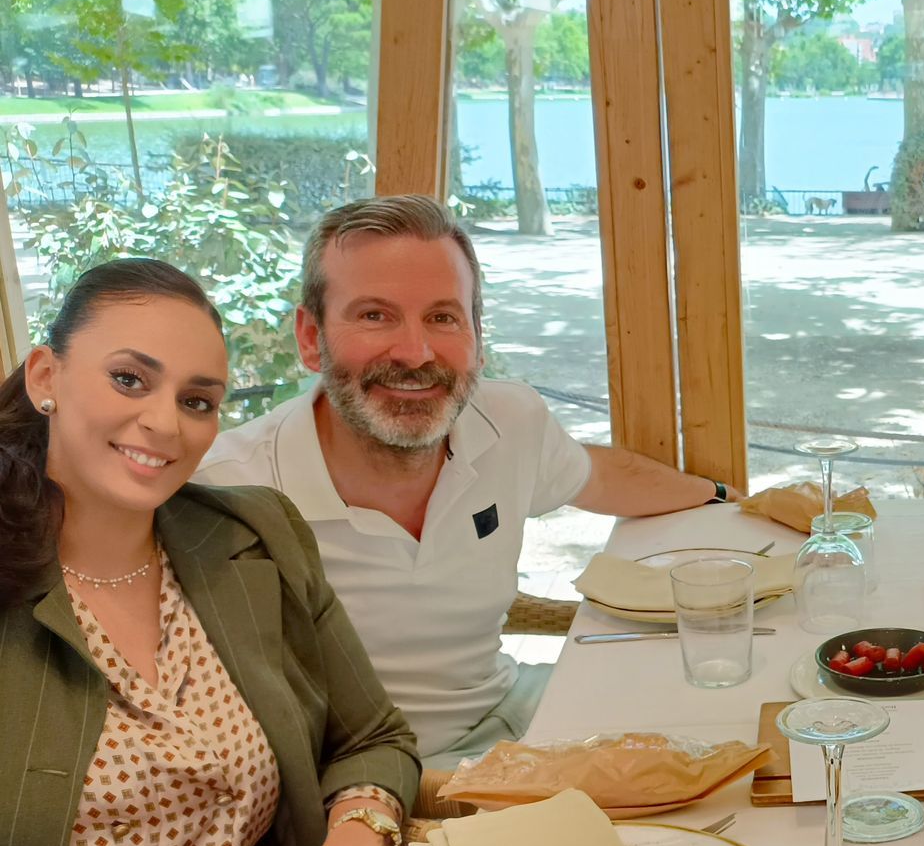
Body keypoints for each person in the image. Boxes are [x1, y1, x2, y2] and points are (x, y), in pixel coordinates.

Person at [0, 259, 420, 846]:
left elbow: (376, 736)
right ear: (44, 377)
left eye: (199, 399)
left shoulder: (251, 537)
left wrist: (358, 838)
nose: (164, 423)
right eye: (128, 379)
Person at [199, 195, 728, 769]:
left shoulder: (509, 422)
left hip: (512, 707)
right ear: (309, 337)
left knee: (725, 713)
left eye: (443, 317)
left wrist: (731, 500)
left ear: (476, 335)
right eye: (374, 315)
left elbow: (602, 476)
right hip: (374, 776)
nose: (414, 352)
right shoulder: (229, 495)